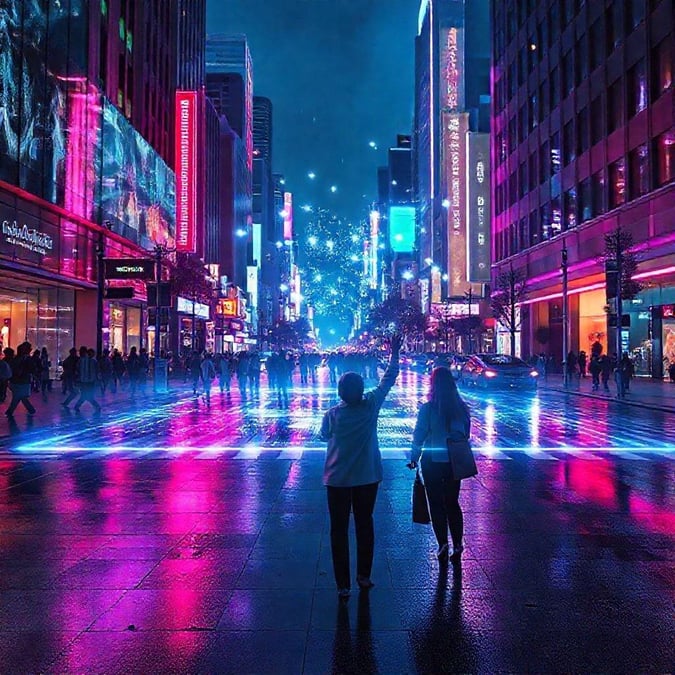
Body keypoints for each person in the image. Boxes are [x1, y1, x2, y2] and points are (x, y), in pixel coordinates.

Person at [319, 334, 401, 599]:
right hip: (367, 476)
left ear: (340, 392)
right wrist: (394, 352)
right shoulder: (370, 406)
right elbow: (388, 379)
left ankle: (343, 584)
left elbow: (323, 435)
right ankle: (363, 576)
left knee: (338, 530)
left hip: (337, 478)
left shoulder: (332, 414)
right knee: (365, 524)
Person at [409, 367, 471, 563]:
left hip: (432, 460)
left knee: (436, 503)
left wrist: (414, 457)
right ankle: (458, 543)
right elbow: (466, 434)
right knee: (452, 502)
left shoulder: (427, 409)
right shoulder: (462, 409)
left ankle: (443, 543)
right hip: (454, 461)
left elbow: (419, 434)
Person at [5, 342, 36, 416]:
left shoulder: (16, 359)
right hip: (23, 380)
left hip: (17, 380)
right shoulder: (26, 359)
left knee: (18, 396)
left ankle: (10, 411)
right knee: (20, 396)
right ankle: (30, 409)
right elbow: (32, 369)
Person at [72, 347, 100, 412]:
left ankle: (77, 406)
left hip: (85, 381)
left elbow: (77, 370)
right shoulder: (92, 361)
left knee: (85, 395)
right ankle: (96, 406)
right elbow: (97, 371)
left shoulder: (82, 361)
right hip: (88, 381)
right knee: (87, 395)